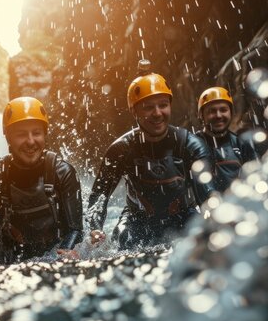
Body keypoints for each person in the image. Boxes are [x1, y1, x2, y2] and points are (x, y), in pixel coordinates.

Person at [87, 70, 218, 250]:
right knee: (123, 240)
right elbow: (99, 196)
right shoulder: (121, 149)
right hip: (137, 219)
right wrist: (95, 230)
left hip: (182, 216)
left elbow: (207, 194)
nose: (157, 113)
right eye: (148, 107)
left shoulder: (190, 145)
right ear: (134, 111)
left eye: (163, 105)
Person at [0, 96, 83, 263]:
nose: (30, 141)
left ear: (45, 134)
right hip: (10, 262)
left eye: (36, 133)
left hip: (55, 256)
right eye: (21, 134)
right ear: (8, 138)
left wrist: (65, 256)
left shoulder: (63, 173)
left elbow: (75, 230)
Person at [196, 86, 259, 192]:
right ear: (201, 115)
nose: (218, 115)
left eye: (223, 110)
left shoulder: (241, 144)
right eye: (212, 111)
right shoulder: (192, 145)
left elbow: (257, 179)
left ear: (231, 113)